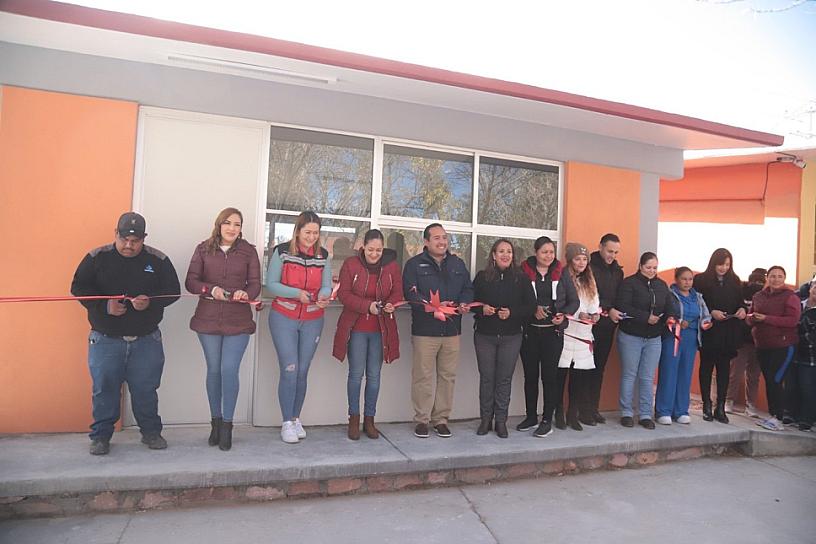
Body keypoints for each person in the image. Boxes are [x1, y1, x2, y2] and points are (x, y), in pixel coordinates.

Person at [70, 212, 180, 455]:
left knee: (146, 389)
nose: (129, 245)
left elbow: (173, 291)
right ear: (115, 234)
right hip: (105, 339)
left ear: (144, 238)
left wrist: (150, 302)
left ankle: (151, 433)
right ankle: (100, 437)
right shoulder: (96, 257)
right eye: (124, 239)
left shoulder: (158, 260)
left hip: (146, 340)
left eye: (135, 241)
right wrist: (104, 306)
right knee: (104, 389)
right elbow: (78, 287)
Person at [185, 208, 261, 451]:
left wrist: (245, 293)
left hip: (237, 320)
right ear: (219, 225)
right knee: (214, 370)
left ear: (241, 228)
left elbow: (256, 284)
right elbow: (191, 281)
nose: (232, 228)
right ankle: (215, 423)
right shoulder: (203, 248)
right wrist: (210, 290)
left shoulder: (248, 251)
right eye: (227, 223)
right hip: (207, 319)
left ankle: (228, 425)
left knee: (229, 370)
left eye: (237, 224)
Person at [266, 211, 332, 444]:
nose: (311, 237)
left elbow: (327, 285)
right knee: (290, 369)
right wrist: (296, 294)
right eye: (307, 232)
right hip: (284, 316)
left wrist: (325, 295)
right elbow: (271, 284)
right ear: (298, 231)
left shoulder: (323, 255)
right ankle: (285, 422)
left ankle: (295, 418)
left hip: (313, 318)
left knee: (303, 370)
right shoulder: (282, 252)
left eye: (315, 233)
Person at [403, 223, 474, 438]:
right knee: (423, 377)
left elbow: (468, 289)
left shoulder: (457, 264)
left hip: (452, 331)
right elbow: (409, 293)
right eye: (437, 238)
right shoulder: (415, 265)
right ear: (426, 242)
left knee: (447, 376)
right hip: (426, 331)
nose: (442, 241)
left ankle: (441, 420)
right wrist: (431, 307)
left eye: (444, 237)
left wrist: (464, 303)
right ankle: (422, 420)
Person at [332, 229, 403, 440]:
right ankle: (353, 418)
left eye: (378, 250)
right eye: (370, 249)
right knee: (355, 375)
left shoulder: (391, 266)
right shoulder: (351, 265)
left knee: (374, 376)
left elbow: (398, 291)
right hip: (356, 329)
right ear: (363, 247)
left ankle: (370, 419)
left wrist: (392, 304)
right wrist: (367, 306)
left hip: (380, 330)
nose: (374, 254)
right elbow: (343, 294)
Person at [471, 239, 536, 438]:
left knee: (504, 380)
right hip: (485, 336)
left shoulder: (521, 278)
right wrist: (483, 309)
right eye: (501, 251)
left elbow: (531, 307)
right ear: (493, 255)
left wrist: (513, 313)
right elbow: (470, 302)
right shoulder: (482, 277)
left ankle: (501, 421)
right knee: (487, 378)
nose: (505, 255)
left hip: (511, 336)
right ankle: (485, 420)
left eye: (509, 251)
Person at [615, 252, 678, 429]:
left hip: (653, 338)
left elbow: (670, 305)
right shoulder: (629, 283)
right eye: (648, 267)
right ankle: (626, 412)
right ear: (640, 266)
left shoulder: (661, 285)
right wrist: (645, 317)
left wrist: (671, 317)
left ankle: (645, 414)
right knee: (629, 374)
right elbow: (623, 306)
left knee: (648, 376)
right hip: (631, 335)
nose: (652, 271)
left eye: (655, 268)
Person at [517, 236, 566, 438]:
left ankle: (547, 419)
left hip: (552, 334)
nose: (548, 256)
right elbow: (517, 298)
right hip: (530, 333)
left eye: (551, 252)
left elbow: (573, 300)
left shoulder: (561, 273)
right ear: (536, 252)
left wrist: (562, 315)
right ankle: (531, 417)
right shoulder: (523, 272)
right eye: (544, 251)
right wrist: (532, 309)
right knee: (530, 377)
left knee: (549, 378)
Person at [693, 248, 746, 424]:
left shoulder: (735, 281)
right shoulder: (701, 280)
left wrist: (741, 310)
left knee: (724, 369)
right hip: (710, 330)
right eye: (720, 264)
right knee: (706, 367)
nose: (723, 268)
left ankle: (720, 406)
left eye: (727, 265)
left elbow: (740, 302)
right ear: (713, 263)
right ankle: (706, 404)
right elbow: (697, 303)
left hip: (728, 330)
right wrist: (711, 312)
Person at [655, 267, 712, 425]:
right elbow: (664, 315)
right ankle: (663, 410)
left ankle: (681, 410)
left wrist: (706, 322)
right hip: (673, 338)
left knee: (685, 373)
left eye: (690, 279)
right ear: (676, 279)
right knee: (669, 371)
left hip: (691, 339)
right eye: (684, 279)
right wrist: (678, 322)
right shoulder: (670, 295)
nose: (687, 282)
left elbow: (705, 314)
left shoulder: (697, 297)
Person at [748, 265, 801, 431]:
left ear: (784, 278)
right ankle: (772, 416)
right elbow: (750, 318)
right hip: (762, 345)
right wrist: (752, 318)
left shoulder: (790, 297)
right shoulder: (758, 295)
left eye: (779, 276)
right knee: (769, 380)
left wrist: (766, 318)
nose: (775, 279)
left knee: (776, 380)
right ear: (767, 278)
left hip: (784, 346)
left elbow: (792, 321)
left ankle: (779, 417)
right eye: (772, 276)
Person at [555, 243, 600, 431]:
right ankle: (558, 412)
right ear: (570, 260)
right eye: (577, 259)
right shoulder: (563, 278)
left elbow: (594, 304)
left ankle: (572, 413)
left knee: (578, 378)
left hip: (583, 335)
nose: (581, 262)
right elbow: (560, 303)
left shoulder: (590, 280)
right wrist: (576, 314)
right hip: (566, 333)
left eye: (584, 259)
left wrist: (595, 314)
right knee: (560, 376)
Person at [588, 233, 624, 424]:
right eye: (609, 251)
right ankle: (580, 410)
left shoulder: (618, 271)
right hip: (589, 325)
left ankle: (593, 408)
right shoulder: (589, 266)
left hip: (608, 327)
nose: (612, 255)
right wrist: (605, 309)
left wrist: (614, 311)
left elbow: (619, 296)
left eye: (616, 252)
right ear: (600, 247)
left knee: (599, 367)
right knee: (584, 368)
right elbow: (587, 295)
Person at [725, 268, 766, 417]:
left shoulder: (765, 296)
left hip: (758, 341)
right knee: (735, 372)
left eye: (761, 282)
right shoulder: (741, 292)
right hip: (741, 340)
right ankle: (728, 401)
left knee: (754, 375)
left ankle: (751, 405)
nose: (757, 284)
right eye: (755, 281)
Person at [796, 280, 816, 431]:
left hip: (810, 356)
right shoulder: (797, 303)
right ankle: (794, 415)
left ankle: (807, 420)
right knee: (798, 386)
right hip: (795, 355)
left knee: (809, 388)